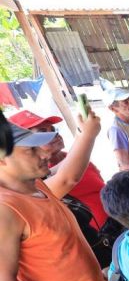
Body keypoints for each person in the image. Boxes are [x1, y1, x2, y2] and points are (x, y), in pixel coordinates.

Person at [0, 113, 116, 281]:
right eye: (31, 150)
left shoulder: (35, 186)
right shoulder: (6, 209)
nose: (44, 154)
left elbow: (67, 177)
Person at [8, 109, 120, 267]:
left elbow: (66, 169)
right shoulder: (22, 190)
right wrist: (87, 135)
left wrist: (82, 136)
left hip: (110, 235)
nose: (53, 134)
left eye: (52, 129)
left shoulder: (56, 165)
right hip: (91, 256)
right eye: (31, 148)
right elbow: (67, 179)